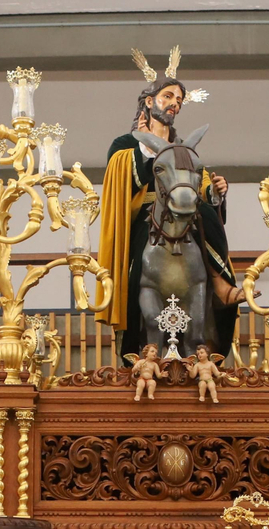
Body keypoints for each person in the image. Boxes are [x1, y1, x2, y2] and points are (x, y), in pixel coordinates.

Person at [96, 51, 241, 361]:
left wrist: (214, 194)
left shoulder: (182, 148)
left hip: (184, 212)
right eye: (168, 95)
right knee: (137, 263)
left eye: (179, 98)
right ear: (150, 101)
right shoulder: (126, 144)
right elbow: (120, 178)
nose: (175, 102)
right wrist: (146, 150)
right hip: (143, 217)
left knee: (203, 212)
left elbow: (197, 181)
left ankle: (218, 282)